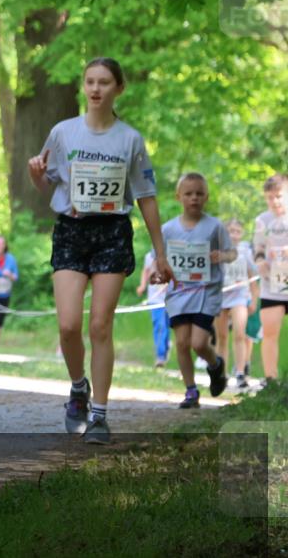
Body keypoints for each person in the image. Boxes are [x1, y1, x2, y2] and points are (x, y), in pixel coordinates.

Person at [28, 57, 173, 445]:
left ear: (118, 88)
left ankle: (100, 415)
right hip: (71, 232)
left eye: (104, 82)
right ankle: (78, 388)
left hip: (112, 232)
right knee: (69, 325)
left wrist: (160, 253)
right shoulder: (63, 133)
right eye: (89, 82)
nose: (95, 89)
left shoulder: (130, 139)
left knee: (100, 326)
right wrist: (36, 177)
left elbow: (147, 197)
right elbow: (49, 187)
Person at [157, 173, 235, 408]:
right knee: (181, 343)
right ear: (179, 196)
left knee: (199, 343)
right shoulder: (168, 229)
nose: (194, 198)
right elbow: (160, 259)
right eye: (189, 194)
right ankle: (191, 391)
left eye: (199, 194)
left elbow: (232, 253)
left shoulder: (215, 226)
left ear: (206, 197)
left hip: (206, 292)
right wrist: (157, 273)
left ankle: (215, 365)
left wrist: (220, 256)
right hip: (179, 292)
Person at [215, 218, 260, 389]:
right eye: (230, 231)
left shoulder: (245, 253)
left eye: (237, 231)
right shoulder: (217, 253)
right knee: (222, 336)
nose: (233, 234)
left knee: (240, 333)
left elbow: (253, 279)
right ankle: (222, 373)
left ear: (241, 234)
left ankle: (240, 372)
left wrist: (253, 300)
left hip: (240, 297)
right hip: (220, 298)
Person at [254, 173, 288, 385]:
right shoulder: (262, 220)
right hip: (273, 284)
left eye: (279, 196)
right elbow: (257, 248)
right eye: (269, 197)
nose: (274, 201)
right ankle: (270, 380)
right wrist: (260, 261)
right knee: (270, 331)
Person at [136, 249, 170, 367]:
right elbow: (145, 271)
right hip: (155, 299)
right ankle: (160, 356)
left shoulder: (170, 254)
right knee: (159, 325)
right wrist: (142, 285)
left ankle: (165, 348)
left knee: (166, 325)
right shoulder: (149, 256)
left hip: (169, 299)